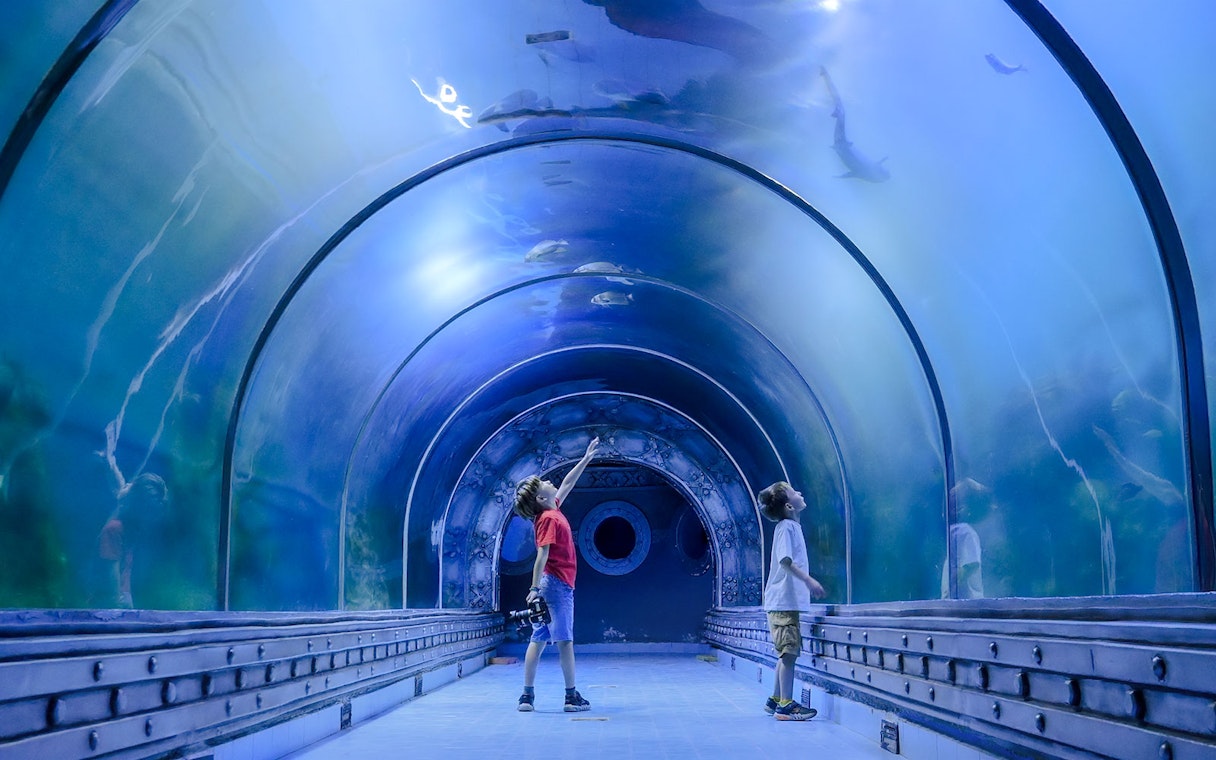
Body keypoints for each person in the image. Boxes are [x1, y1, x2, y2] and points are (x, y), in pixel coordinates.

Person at [512, 436, 600, 713]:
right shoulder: (548, 518)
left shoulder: (551, 509)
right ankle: (571, 697)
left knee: (538, 639)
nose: (550, 482)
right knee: (565, 641)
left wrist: (585, 459)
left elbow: (567, 484)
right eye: (544, 483)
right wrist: (534, 588)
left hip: (552, 585)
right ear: (540, 497)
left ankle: (526, 696)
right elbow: (542, 554)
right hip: (557, 586)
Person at [758, 481, 825, 721]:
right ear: (788, 505)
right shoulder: (786, 527)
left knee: (785, 653)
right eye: (795, 492)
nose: (801, 492)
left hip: (784, 602)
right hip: (783, 602)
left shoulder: (790, 527)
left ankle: (775, 699)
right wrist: (809, 581)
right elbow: (785, 561)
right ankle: (786, 705)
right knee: (789, 653)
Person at [97, 473, 168, 608]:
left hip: (123, 600)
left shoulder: (131, 529)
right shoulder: (115, 530)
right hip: (112, 606)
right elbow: (112, 588)